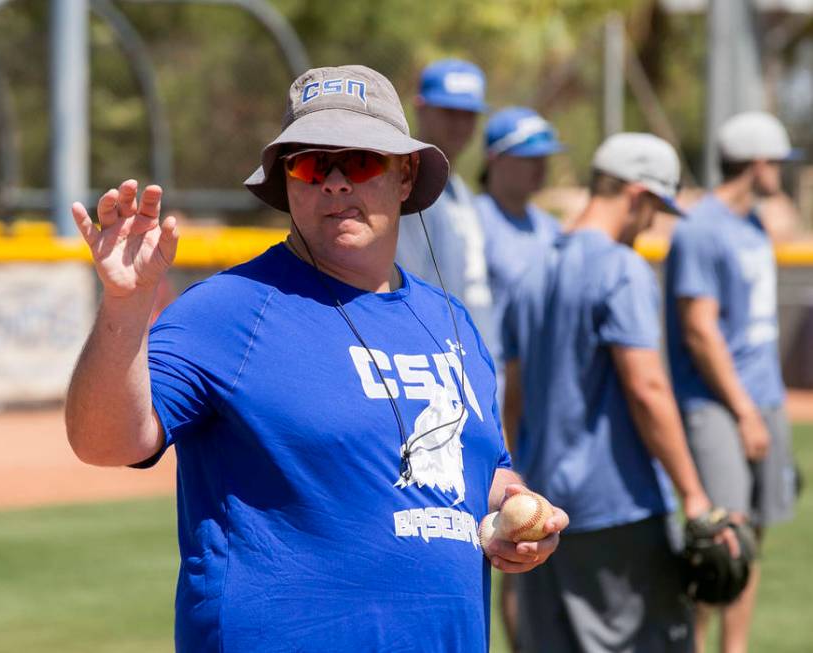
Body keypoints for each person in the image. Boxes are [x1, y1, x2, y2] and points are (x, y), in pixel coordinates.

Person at [65, 64, 568, 652]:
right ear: (288, 183)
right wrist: (126, 306)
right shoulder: (228, 312)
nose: (333, 183)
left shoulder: (452, 322)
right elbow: (104, 443)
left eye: (357, 162)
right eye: (309, 164)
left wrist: (515, 508)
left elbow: (485, 468)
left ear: (405, 175)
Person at [503, 133, 715, 652]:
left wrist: (520, 481)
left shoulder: (531, 272)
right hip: (618, 510)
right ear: (637, 195)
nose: (650, 225)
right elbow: (647, 388)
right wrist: (695, 496)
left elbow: (512, 399)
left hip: (544, 511)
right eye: (654, 211)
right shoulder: (622, 268)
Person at [664, 110, 798, 653]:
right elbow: (699, 330)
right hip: (716, 403)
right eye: (779, 162)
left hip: (761, 397)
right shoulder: (702, 227)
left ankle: (734, 649)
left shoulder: (754, 223)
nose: (784, 173)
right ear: (759, 162)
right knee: (718, 543)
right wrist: (743, 410)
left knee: (753, 537)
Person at [396, 58, 491, 340]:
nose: (461, 124)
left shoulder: (463, 192)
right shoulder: (406, 186)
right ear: (420, 109)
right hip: (438, 359)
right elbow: (406, 292)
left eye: (469, 114)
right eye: (450, 111)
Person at [477, 106, 564, 404]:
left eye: (544, 158)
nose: (540, 167)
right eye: (528, 158)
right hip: (491, 381)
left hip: (541, 382)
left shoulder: (551, 228)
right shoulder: (473, 220)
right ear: (495, 159)